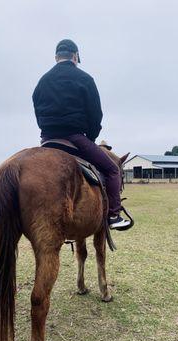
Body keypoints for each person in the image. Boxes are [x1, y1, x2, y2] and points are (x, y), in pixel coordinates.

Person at [32, 39, 131, 230]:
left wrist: (47, 132)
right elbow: (95, 115)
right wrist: (91, 138)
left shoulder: (42, 81)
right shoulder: (85, 79)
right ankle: (113, 216)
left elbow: (37, 111)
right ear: (76, 56)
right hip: (74, 138)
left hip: (47, 140)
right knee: (112, 170)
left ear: (56, 57)